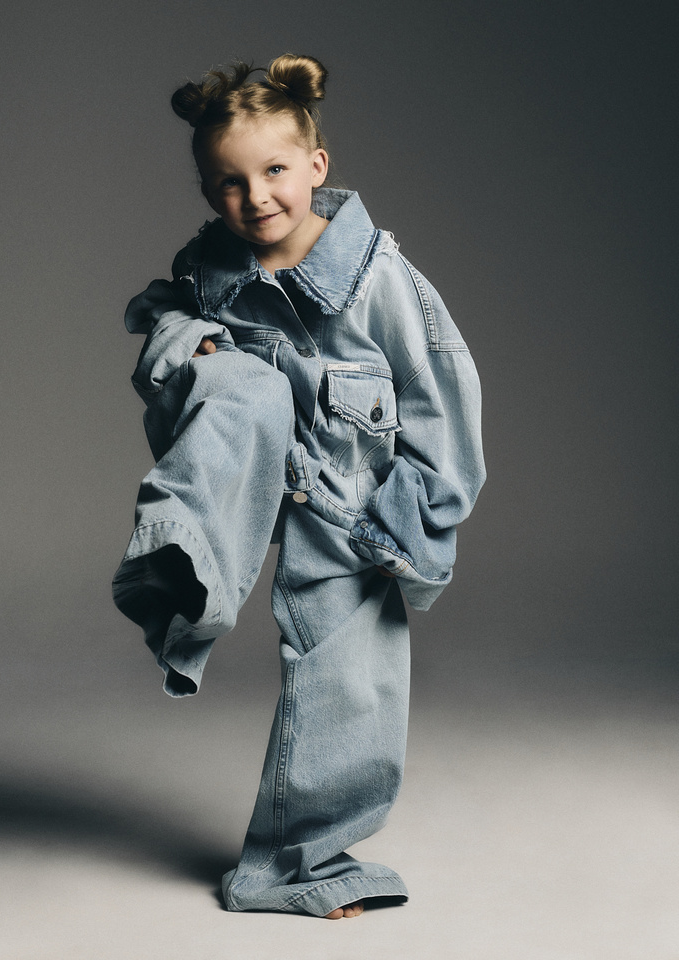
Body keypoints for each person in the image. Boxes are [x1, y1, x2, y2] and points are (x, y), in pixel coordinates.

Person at [113, 54, 486, 920]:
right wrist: (192, 342)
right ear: (210, 192)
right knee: (244, 384)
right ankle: (181, 566)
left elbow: (445, 405)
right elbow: (158, 316)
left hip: (348, 506)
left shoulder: (379, 281)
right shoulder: (209, 267)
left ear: (316, 167)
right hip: (236, 474)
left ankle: (295, 865)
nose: (257, 198)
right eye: (230, 183)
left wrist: (410, 528)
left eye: (275, 171)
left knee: (352, 678)